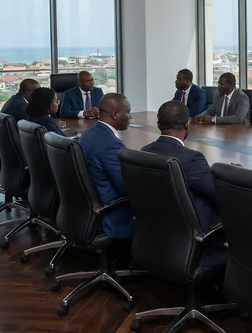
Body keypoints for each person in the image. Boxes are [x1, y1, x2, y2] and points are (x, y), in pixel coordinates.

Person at [141, 101, 227, 269]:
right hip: (192, 235)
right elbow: (219, 192)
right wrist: (229, 173)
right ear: (187, 124)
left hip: (158, 233)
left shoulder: (145, 151)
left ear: (158, 124)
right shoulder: (191, 159)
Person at [77, 94, 134, 258]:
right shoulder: (110, 144)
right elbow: (126, 186)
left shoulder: (88, 133)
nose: (130, 116)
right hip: (109, 214)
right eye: (128, 112)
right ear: (115, 114)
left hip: (86, 209)